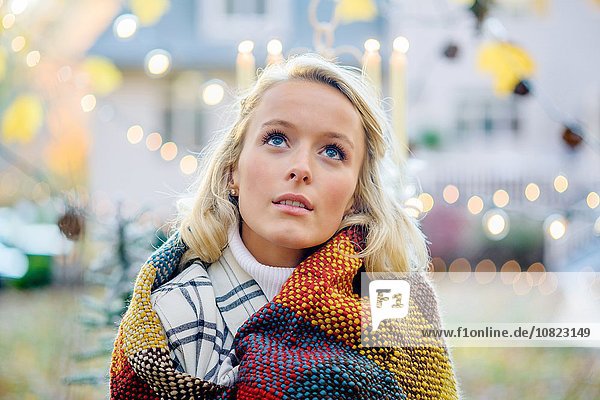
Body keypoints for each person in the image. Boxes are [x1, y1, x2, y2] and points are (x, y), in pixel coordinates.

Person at [110, 54, 458, 399]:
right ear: (234, 169)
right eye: (277, 139)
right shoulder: (174, 310)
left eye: (333, 152)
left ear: (355, 193)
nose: (301, 167)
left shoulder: (394, 301)